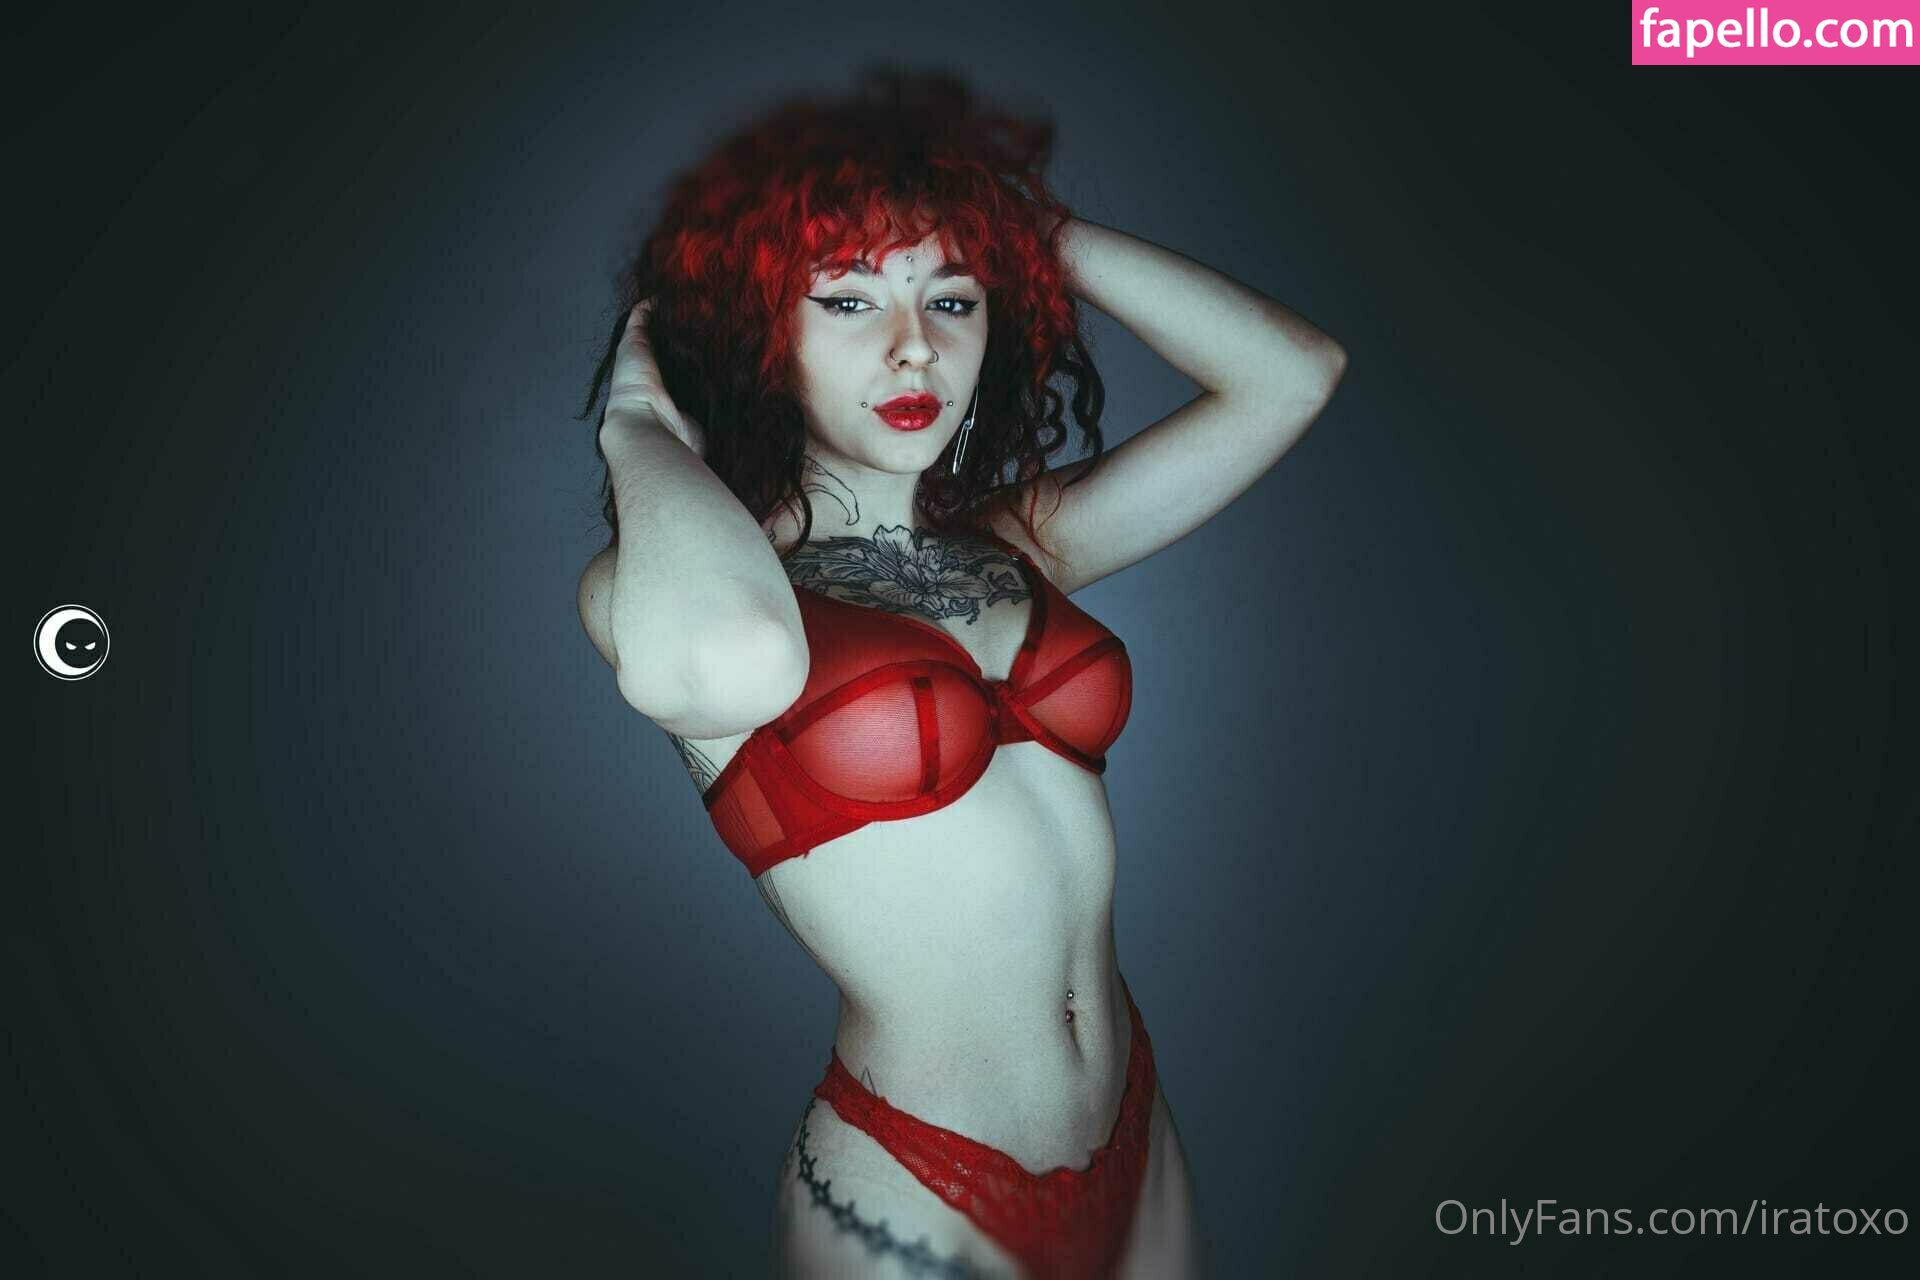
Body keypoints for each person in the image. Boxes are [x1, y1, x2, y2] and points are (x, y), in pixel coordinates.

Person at [573, 67, 1347, 1279]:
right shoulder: (673, 588)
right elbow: (730, 657)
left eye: (953, 297)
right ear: (759, 330)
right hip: (910, 1170)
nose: (914, 346)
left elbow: (1293, 376)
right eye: (846, 298)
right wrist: (634, 417)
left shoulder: (1017, 542)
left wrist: (1029, 232)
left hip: (1132, 1121)